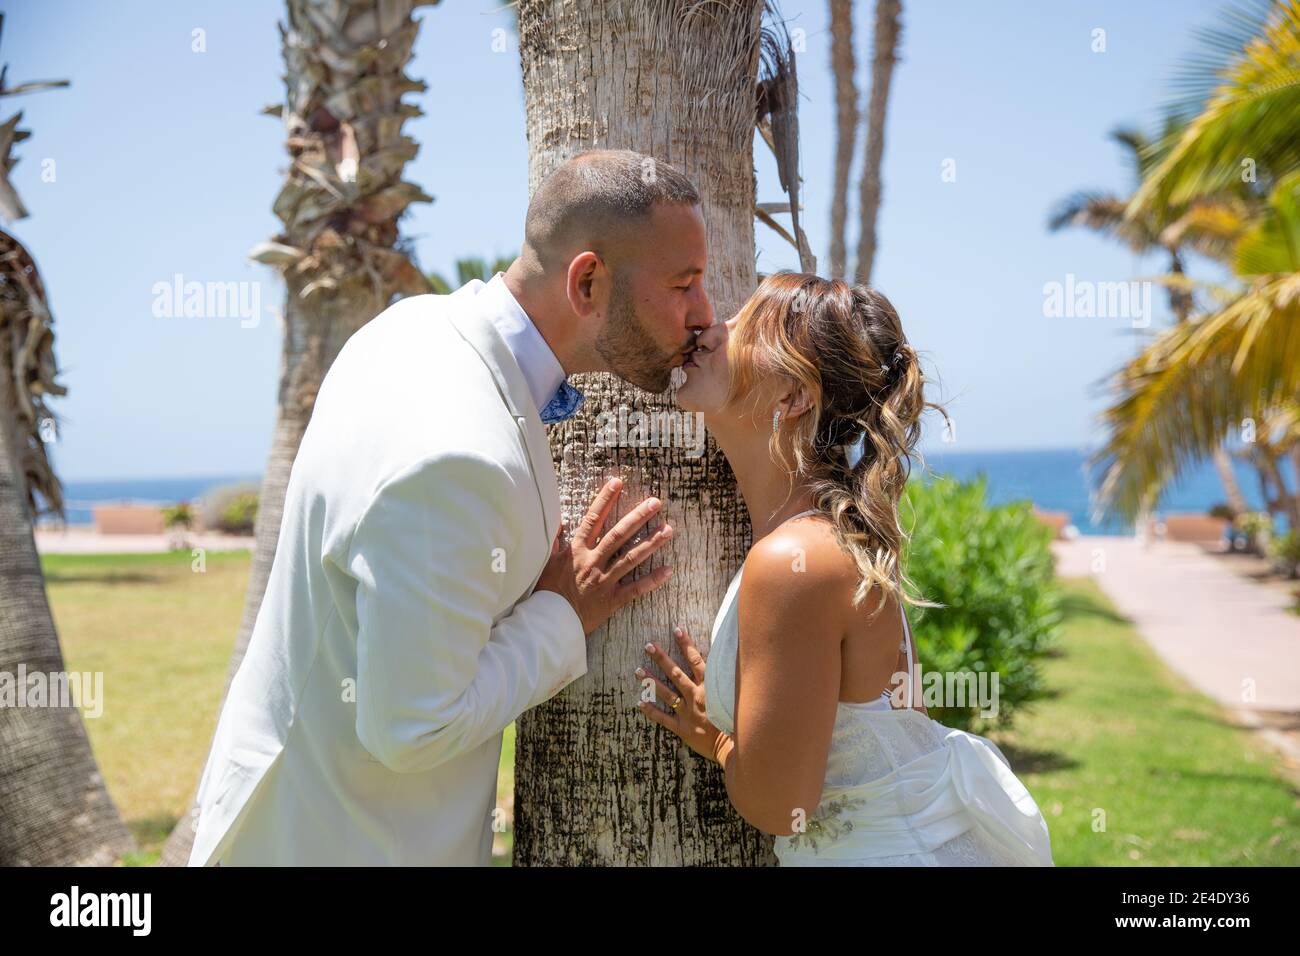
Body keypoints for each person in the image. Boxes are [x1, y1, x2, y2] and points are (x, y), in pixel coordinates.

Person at [189, 149, 714, 865]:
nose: (705, 314)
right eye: (684, 284)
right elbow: (411, 728)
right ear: (587, 281)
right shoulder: (457, 456)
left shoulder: (410, 328)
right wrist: (562, 612)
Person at [634, 272, 1054, 866]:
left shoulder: (796, 563)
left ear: (793, 396)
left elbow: (784, 808)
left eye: (742, 325)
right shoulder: (818, 544)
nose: (711, 328)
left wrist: (719, 740)